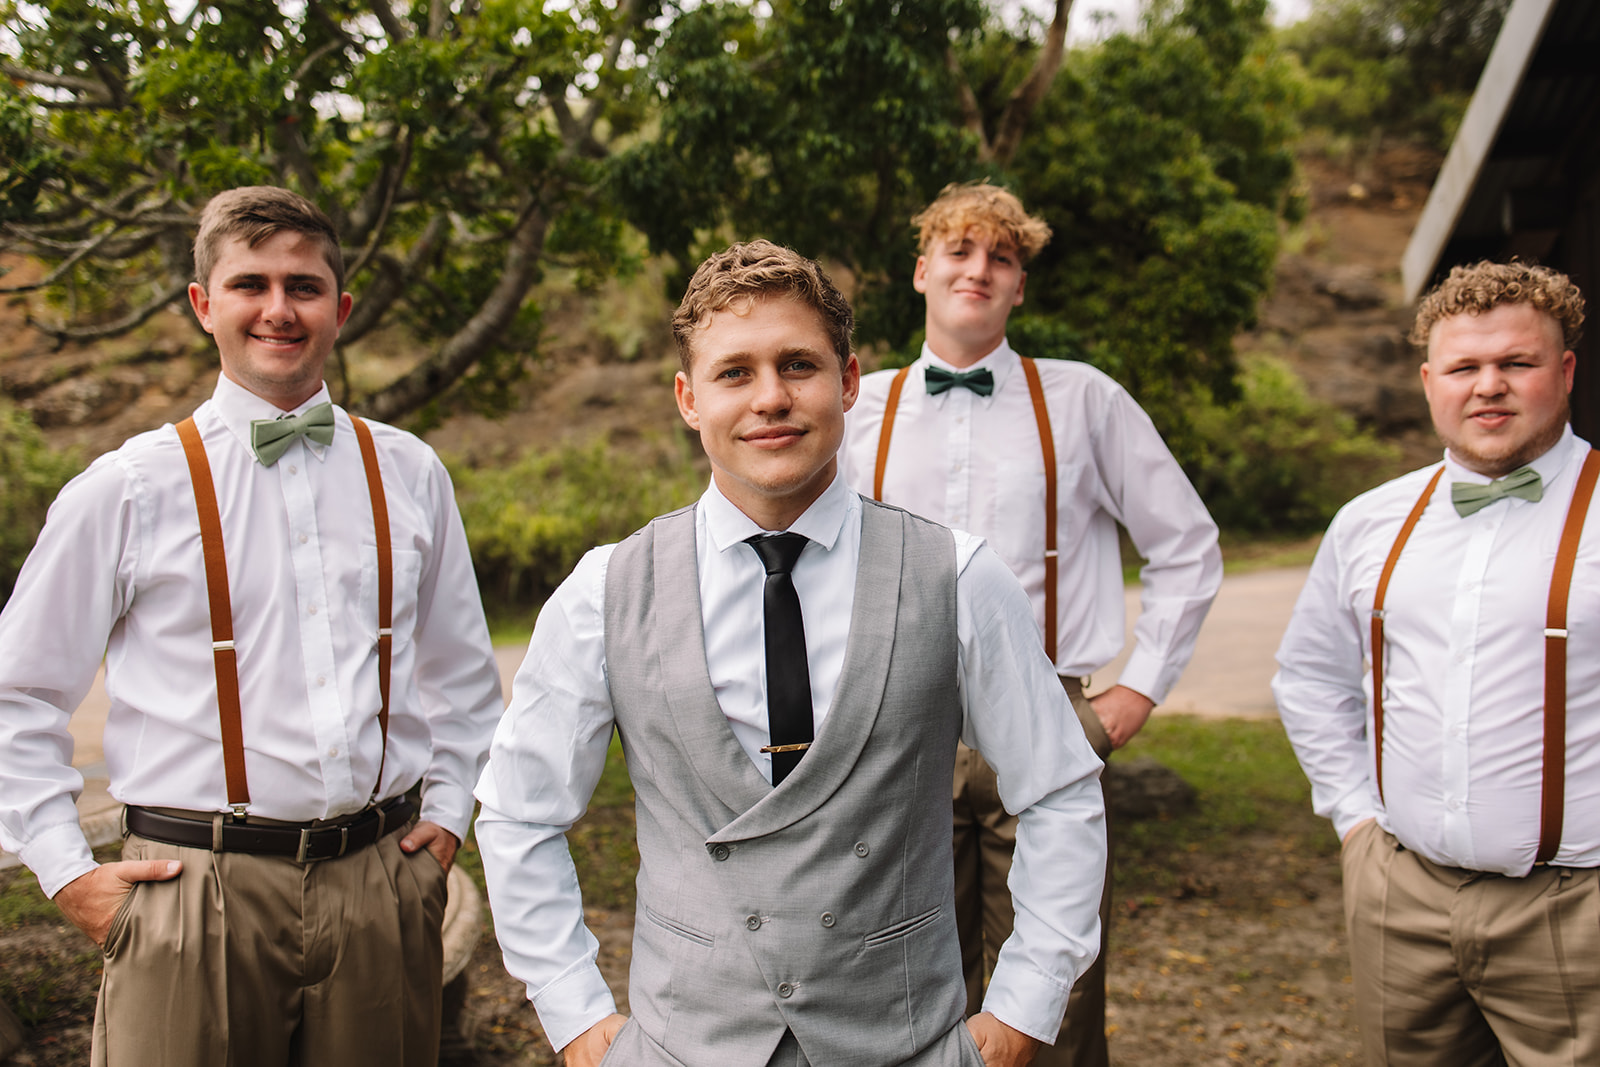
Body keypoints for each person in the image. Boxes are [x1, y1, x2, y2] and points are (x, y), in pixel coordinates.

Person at [475, 239, 1107, 1067]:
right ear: (688, 398)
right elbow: (519, 812)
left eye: (798, 365)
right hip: (680, 1046)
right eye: (735, 372)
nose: (770, 397)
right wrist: (575, 1014)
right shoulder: (605, 589)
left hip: (905, 1043)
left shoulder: (957, 576)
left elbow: (1059, 791)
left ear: (849, 381)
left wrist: (1025, 1004)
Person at [0, 186, 504, 1066]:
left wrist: (449, 819)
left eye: (304, 286)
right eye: (250, 283)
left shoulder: (411, 473)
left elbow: (462, 677)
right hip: (191, 890)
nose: (279, 308)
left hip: (380, 880)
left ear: (339, 309)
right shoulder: (126, 488)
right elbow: (19, 693)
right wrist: (66, 870)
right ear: (204, 304)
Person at [840, 181, 1222, 1065]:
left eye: (1000, 257)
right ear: (921, 270)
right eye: (960, 251)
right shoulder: (861, 405)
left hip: (1049, 717)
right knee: (904, 970)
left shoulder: (1085, 399)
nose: (979, 268)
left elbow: (1188, 545)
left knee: (1057, 981)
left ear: (1020, 286)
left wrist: (1136, 690)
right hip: (897, 719)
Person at [1273, 260, 1600, 1066]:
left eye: (1515, 363)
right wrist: (1354, 821)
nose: (1488, 386)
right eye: (1465, 368)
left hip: (1577, 906)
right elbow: (1309, 676)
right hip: (1402, 899)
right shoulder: (1370, 522)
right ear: (1429, 382)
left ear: (1563, 372)